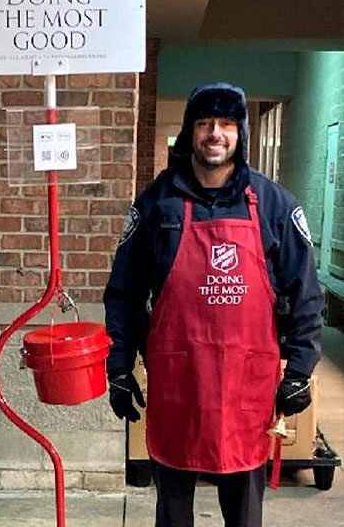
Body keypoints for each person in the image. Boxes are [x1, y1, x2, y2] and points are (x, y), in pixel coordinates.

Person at [104, 82, 322, 527]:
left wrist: (300, 370)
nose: (215, 133)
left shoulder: (275, 206)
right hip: (178, 383)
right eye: (204, 123)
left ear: (239, 132)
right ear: (190, 133)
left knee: (243, 514)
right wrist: (119, 366)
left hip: (247, 388)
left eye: (225, 124)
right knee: (173, 511)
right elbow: (124, 292)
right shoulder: (155, 204)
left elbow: (306, 294)